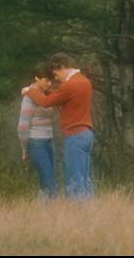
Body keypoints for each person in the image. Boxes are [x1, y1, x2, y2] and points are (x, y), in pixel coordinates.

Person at [25, 52, 94, 199]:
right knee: (85, 179)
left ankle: (77, 215)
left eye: (56, 74)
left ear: (61, 67)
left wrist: (29, 91)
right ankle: (90, 213)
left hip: (74, 135)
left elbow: (46, 102)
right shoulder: (84, 81)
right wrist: (47, 91)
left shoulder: (70, 85)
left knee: (74, 179)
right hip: (87, 134)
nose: (56, 79)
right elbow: (61, 97)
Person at [17, 64, 57, 199]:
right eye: (46, 80)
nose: (49, 83)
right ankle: (50, 213)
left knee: (48, 180)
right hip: (35, 142)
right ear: (36, 78)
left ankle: (42, 214)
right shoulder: (29, 97)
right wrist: (24, 149)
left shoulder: (45, 95)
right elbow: (23, 125)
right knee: (48, 181)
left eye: (51, 80)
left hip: (48, 140)